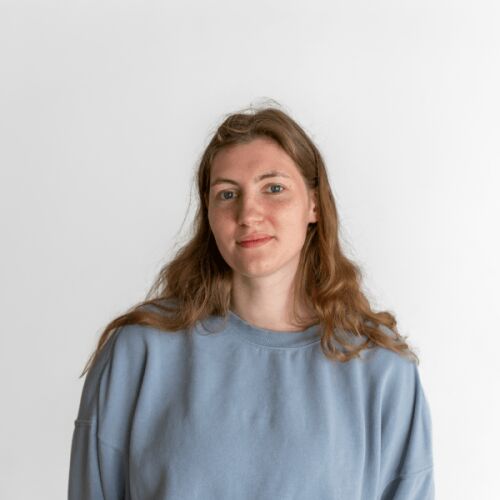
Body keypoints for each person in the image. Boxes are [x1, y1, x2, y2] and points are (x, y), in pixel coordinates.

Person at [68, 103, 435, 499]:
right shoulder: (139, 352)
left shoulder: (380, 368)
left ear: (314, 203)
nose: (248, 213)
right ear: (209, 213)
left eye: (273, 188)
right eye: (227, 194)